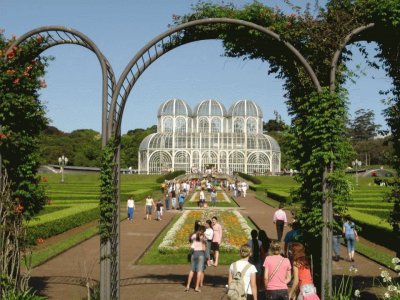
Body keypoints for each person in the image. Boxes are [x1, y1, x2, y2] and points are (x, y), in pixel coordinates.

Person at [185, 225, 207, 292]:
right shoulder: (203, 237)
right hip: (200, 254)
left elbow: (190, 240)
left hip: (194, 254)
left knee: (192, 270)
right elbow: (204, 248)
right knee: (199, 271)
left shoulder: (194, 235)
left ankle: (188, 286)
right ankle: (197, 287)